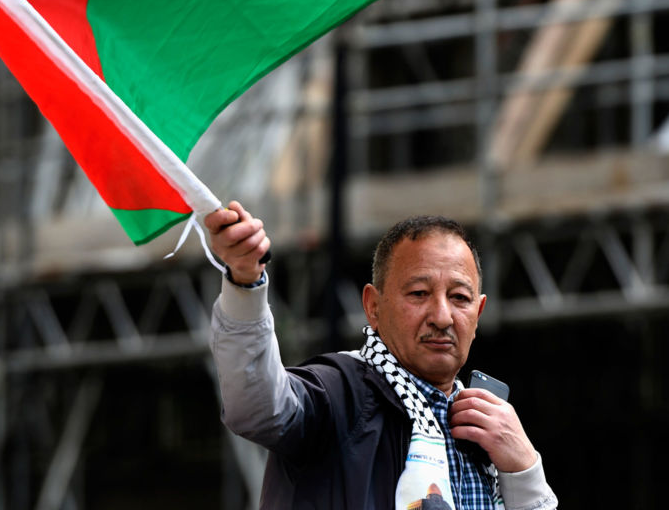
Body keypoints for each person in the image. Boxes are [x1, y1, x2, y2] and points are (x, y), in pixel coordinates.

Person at [206, 201, 556, 510]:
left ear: (478, 315)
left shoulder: (488, 430)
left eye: (460, 298)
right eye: (419, 293)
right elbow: (258, 407)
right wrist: (245, 282)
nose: (442, 316)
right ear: (373, 306)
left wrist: (524, 469)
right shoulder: (337, 394)